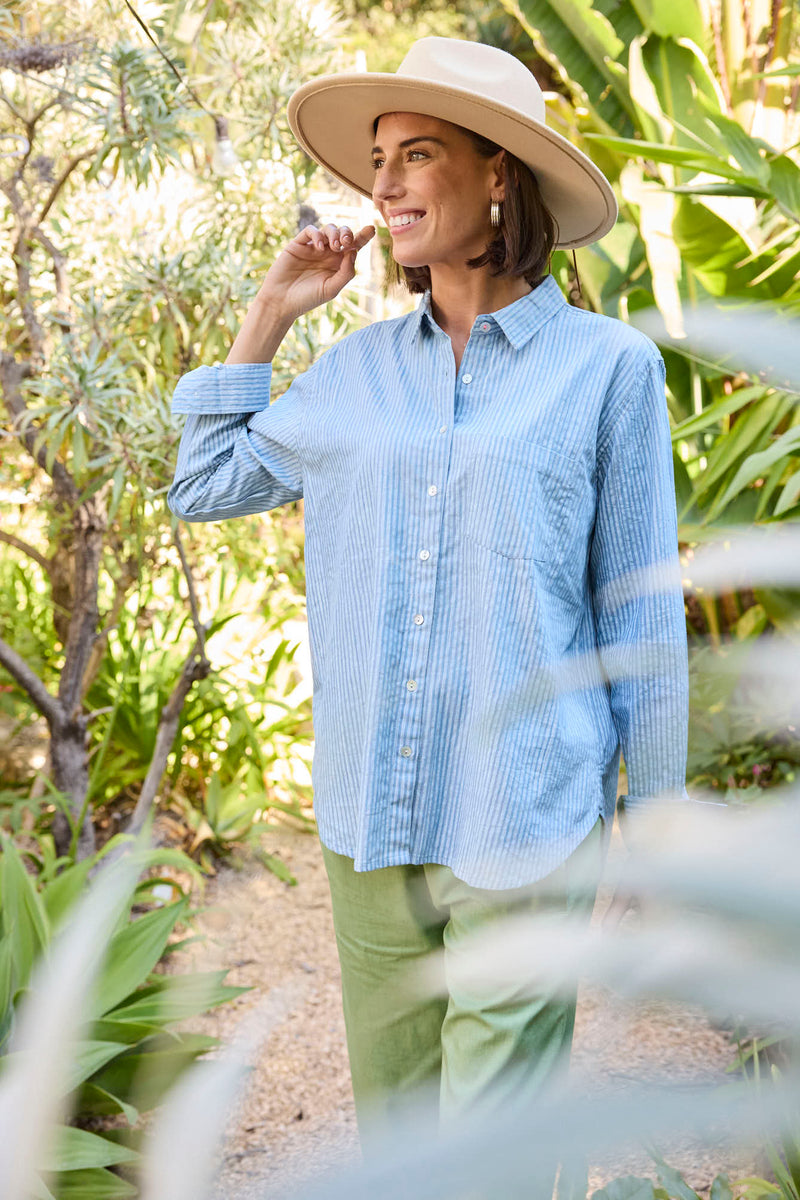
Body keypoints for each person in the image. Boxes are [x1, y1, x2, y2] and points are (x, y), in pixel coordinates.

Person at [167, 36, 690, 1193]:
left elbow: (639, 616)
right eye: (376, 162)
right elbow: (204, 486)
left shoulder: (606, 371)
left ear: (498, 174)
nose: (386, 185)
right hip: (374, 822)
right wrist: (271, 311)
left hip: (526, 820)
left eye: (418, 155)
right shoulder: (353, 376)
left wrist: (651, 828)